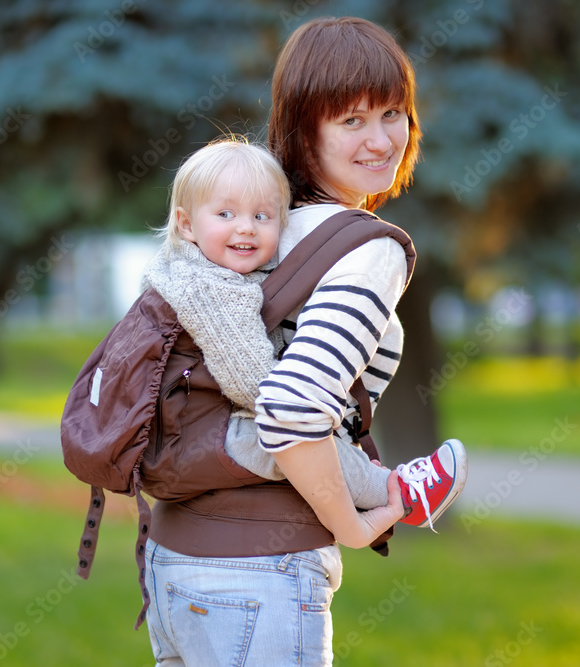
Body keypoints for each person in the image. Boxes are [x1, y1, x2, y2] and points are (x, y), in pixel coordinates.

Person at [144, 17, 469, 666]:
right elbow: (289, 409)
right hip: (259, 573)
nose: (380, 139)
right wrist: (351, 525)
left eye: (392, 112)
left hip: (172, 564)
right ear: (304, 126)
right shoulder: (367, 248)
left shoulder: (250, 223)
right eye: (350, 120)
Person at [143, 136, 404, 511]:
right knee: (300, 447)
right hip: (204, 435)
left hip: (192, 430)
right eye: (226, 214)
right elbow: (255, 385)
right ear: (186, 224)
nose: (246, 228)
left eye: (262, 216)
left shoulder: (196, 266)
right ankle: (395, 492)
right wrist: (312, 412)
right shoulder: (208, 287)